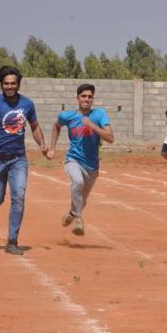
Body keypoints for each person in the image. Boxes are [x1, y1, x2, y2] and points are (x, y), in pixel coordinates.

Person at [0, 66, 49, 255]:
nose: (10, 87)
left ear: (18, 84)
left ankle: (12, 241)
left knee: (19, 197)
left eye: (13, 83)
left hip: (18, 159)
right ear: (2, 84)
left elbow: (35, 126)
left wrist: (42, 143)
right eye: (6, 83)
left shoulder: (27, 104)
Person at [48, 83, 114, 236]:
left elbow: (110, 138)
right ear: (77, 98)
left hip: (92, 164)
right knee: (78, 182)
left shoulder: (99, 115)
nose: (86, 99)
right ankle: (78, 219)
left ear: (93, 99)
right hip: (73, 159)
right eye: (83, 96)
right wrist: (52, 148)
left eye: (90, 97)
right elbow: (56, 126)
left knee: (82, 201)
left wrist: (92, 125)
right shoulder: (67, 116)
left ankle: (72, 213)